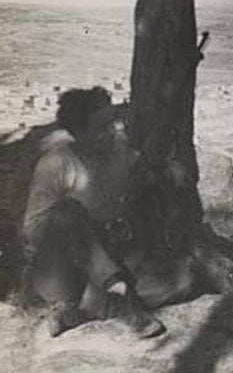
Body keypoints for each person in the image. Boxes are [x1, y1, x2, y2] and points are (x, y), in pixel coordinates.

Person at [21, 87, 169, 338]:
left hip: (101, 261)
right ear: (78, 133)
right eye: (100, 128)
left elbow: (147, 170)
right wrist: (86, 232)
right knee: (69, 211)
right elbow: (33, 230)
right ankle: (116, 294)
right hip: (58, 268)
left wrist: (168, 170)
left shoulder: (121, 154)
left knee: (182, 280)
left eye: (113, 123)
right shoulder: (57, 163)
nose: (112, 132)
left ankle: (88, 307)